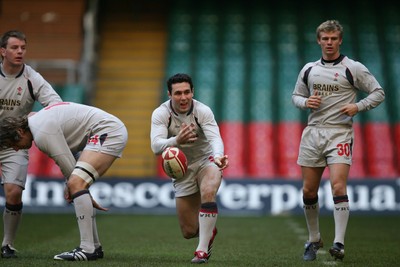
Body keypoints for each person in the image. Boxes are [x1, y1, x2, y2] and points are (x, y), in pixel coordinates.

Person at [292, 20, 385, 261]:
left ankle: (339, 243)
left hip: (339, 132)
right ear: (319, 41)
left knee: (338, 186)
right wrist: (305, 102)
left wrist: (358, 106)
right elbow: (296, 96)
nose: (329, 42)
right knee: (308, 190)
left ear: (340, 40)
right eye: (325, 38)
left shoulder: (352, 68)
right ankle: (314, 239)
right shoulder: (309, 69)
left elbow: (378, 92)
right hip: (313, 133)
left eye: (334, 38)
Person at [0, 102, 128, 261]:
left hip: (107, 131)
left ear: (19, 131)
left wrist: (75, 188)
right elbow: (70, 166)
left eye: (13, 144)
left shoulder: (41, 133)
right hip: (108, 129)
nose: (16, 149)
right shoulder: (37, 121)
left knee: (76, 184)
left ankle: (87, 249)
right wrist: (79, 190)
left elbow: (68, 166)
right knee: (77, 185)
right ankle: (94, 247)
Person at [150, 73, 229, 264]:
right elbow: (155, 147)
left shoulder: (202, 111)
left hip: (206, 160)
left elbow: (215, 138)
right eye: (178, 93)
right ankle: (208, 231)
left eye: (187, 92)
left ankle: (201, 251)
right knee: (188, 231)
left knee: (209, 190)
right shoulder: (161, 113)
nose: (183, 97)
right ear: (169, 94)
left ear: (192, 92)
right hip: (182, 169)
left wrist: (218, 156)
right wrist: (177, 140)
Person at [0, 30, 63, 258]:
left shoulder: (32, 78)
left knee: (14, 192)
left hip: (14, 144)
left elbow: (56, 104)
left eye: (23, 48)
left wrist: (34, 120)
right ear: (2, 51)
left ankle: (7, 244)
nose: (20, 52)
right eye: (14, 48)